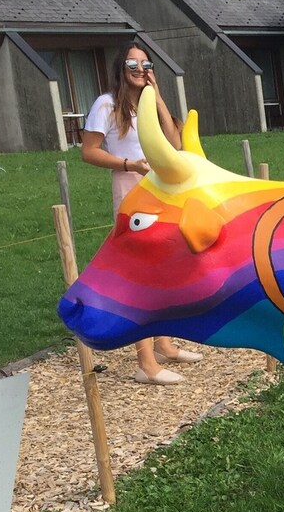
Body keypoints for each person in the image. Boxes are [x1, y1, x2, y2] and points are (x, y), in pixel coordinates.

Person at [81, 41, 203, 385]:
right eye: (133, 65)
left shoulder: (148, 102)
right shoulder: (106, 104)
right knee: (140, 272)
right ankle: (145, 363)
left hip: (162, 193)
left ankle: (164, 345)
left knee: (164, 269)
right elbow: (88, 152)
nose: (140, 70)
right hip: (132, 191)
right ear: (121, 70)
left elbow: (175, 144)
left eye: (146, 64)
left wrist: (158, 95)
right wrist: (127, 164)